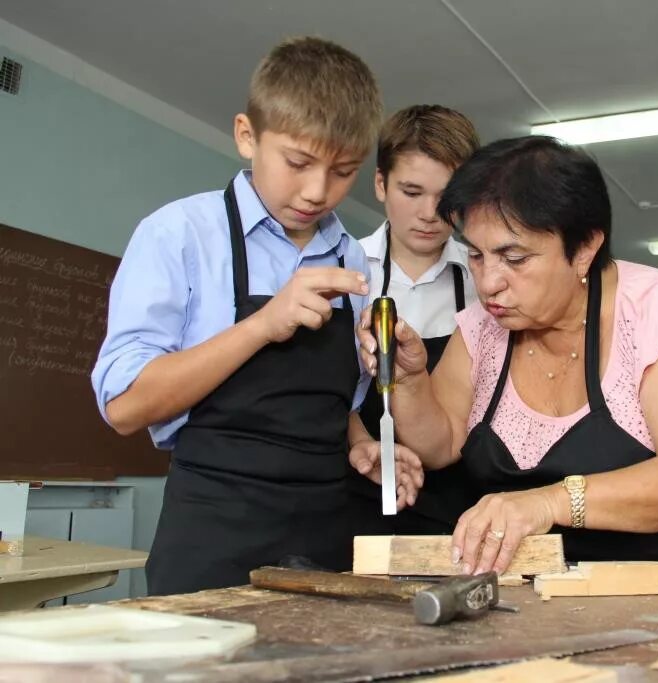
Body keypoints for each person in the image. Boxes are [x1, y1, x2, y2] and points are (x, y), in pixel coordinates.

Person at [357, 135, 658, 576]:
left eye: (514, 258)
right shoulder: (481, 328)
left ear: (584, 249)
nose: (488, 283)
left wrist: (547, 502)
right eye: (477, 256)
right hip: (586, 584)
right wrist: (409, 379)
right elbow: (440, 443)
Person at [91, 37, 422, 596]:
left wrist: (359, 441)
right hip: (213, 533)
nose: (317, 192)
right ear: (248, 135)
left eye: (342, 171)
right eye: (298, 162)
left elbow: (328, 403)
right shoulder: (179, 236)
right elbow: (124, 406)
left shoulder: (349, 257)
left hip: (324, 535)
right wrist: (262, 324)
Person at [349, 105, 481, 535]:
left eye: (446, 197)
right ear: (380, 184)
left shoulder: (486, 280)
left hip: (464, 500)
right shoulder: (343, 272)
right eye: (411, 192)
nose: (429, 213)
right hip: (358, 488)